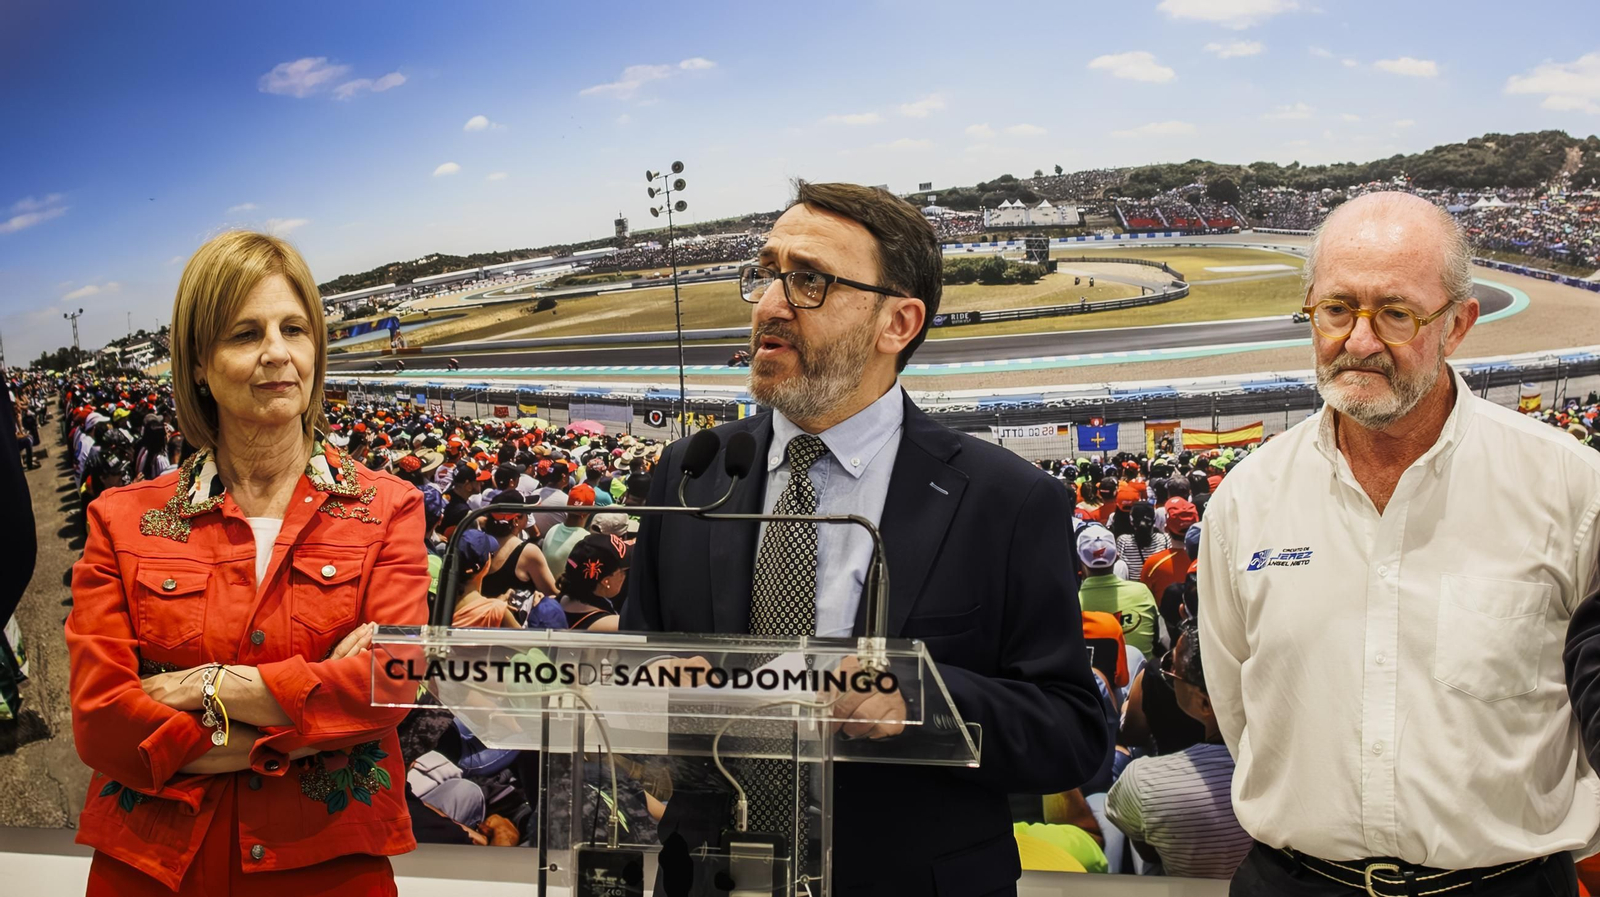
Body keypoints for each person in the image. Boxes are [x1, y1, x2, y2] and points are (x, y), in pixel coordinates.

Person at [623, 181, 1109, 895]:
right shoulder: (692, 471)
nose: (768, 305)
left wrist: (925, 698)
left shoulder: (1006, 499)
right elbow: (633, 676)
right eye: (766, 274)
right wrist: (656, 692)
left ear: (898, 322)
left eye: (809, 281)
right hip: (708, 877)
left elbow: (1071, 732)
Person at [1201, 192, 1595, 896]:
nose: (1358, 340)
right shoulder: (1247, 496)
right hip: (1295, 880)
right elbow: (1239, 709)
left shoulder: (1571, 486)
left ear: (1460, 324)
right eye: (1336, 309)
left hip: (1506, 882)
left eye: (1395, 313)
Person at [66, 230, 428, 895]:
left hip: (329, 870)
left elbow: (392, 683)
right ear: (199, 363)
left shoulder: (389, 508)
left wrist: (202, 683)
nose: (277, 353)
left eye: (294, 328)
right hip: (154, 872)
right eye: (244, 333)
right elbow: (101, 723)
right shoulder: (120, 520)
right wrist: (317, 727)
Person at [1105, 622, 1250, 879]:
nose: (1167, 672)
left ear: (1205, 703)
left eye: (1172, 671)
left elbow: (1149, 853)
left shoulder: (1143, 781)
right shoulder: (1286, 768)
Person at [1075, 525, 1159, 655]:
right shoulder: (1142, 592)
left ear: (1079, 560)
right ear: (1116, 557)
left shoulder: (1072, 603)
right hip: (1143, 673)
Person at [557, 533, 630, 631]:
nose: (626, 575)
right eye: (623, 570)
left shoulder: (557, 601)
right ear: (605, 581)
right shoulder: (613, 626)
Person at [449, 529, 521, 628]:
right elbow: (530, 643)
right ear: (486, 564)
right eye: (491, 554)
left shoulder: (439, 602)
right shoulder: (495, 611)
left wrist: (496, 602)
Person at [1115, 500, 1168, 582]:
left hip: (1133, 591)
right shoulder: (1165, 539)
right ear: (1154, 521)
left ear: (1131, 521)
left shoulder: (1123, 541)